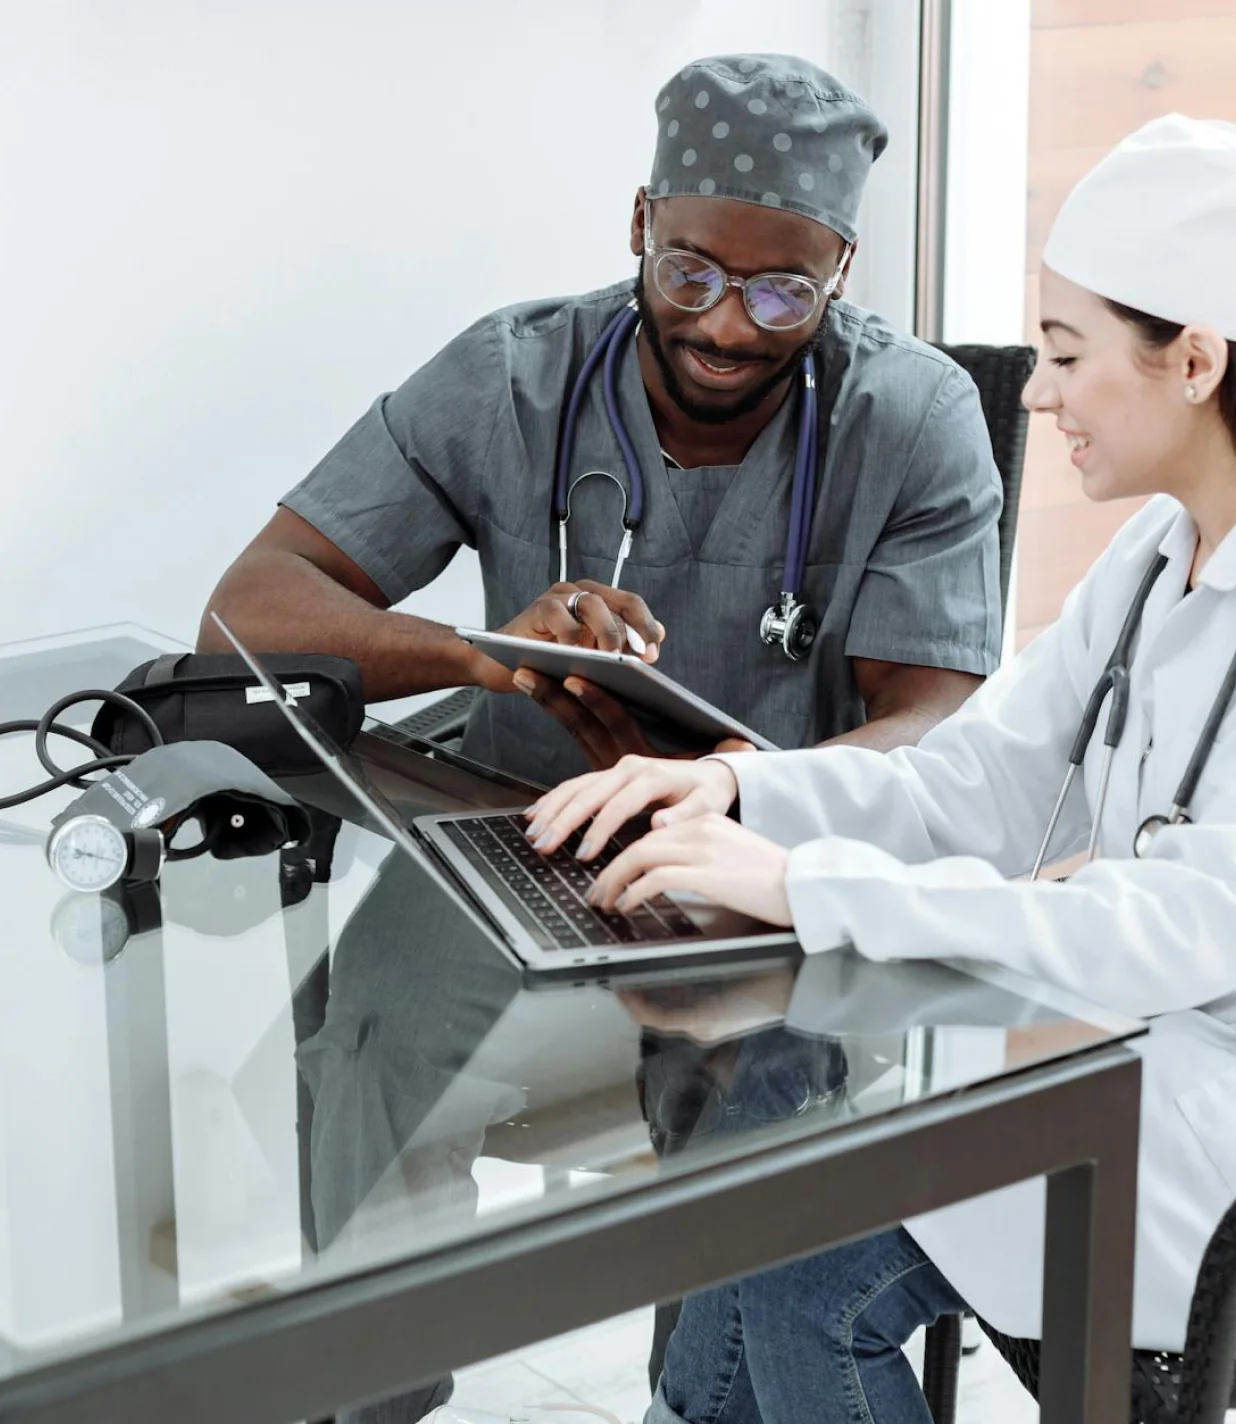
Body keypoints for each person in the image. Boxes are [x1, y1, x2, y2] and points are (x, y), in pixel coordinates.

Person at [527, 113, 1236, 1422]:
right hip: (1094, 1054)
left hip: (1199, 1136)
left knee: (801, 1267)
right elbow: (980, 782)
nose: (1036, 394)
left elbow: (1176, 931)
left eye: (1068, 356)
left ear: (1192, 360)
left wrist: (809, 885)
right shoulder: (1150, 555)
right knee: (756, 1214)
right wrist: (745, 791)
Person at [199, 54, 1002, 788]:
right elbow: (242, 615)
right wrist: (485, 656)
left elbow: (936, 726)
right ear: (639, 224)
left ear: (842, 270)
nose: (727, 327)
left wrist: (732, 793)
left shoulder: (913, 417)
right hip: (516, 825)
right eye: (689, 272)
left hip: (774, 864)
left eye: (784, 292)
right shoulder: (513, 377)